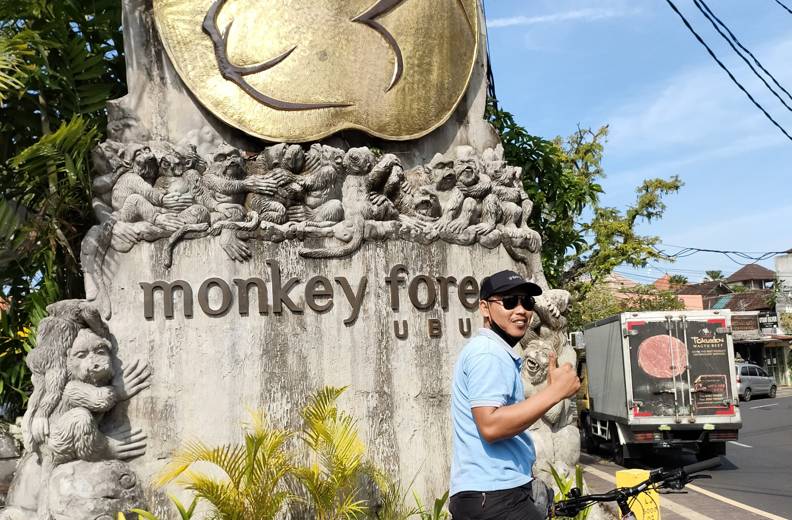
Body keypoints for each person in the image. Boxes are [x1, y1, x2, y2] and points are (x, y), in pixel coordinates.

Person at [449, 270, 581, 520]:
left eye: (527, 302)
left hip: (493, 493)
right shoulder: (488, 353)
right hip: (495, 494)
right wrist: (554, 393)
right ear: (485, 309)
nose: (521, 310)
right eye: (510, 302)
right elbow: (490, 425)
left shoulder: (495, 352)